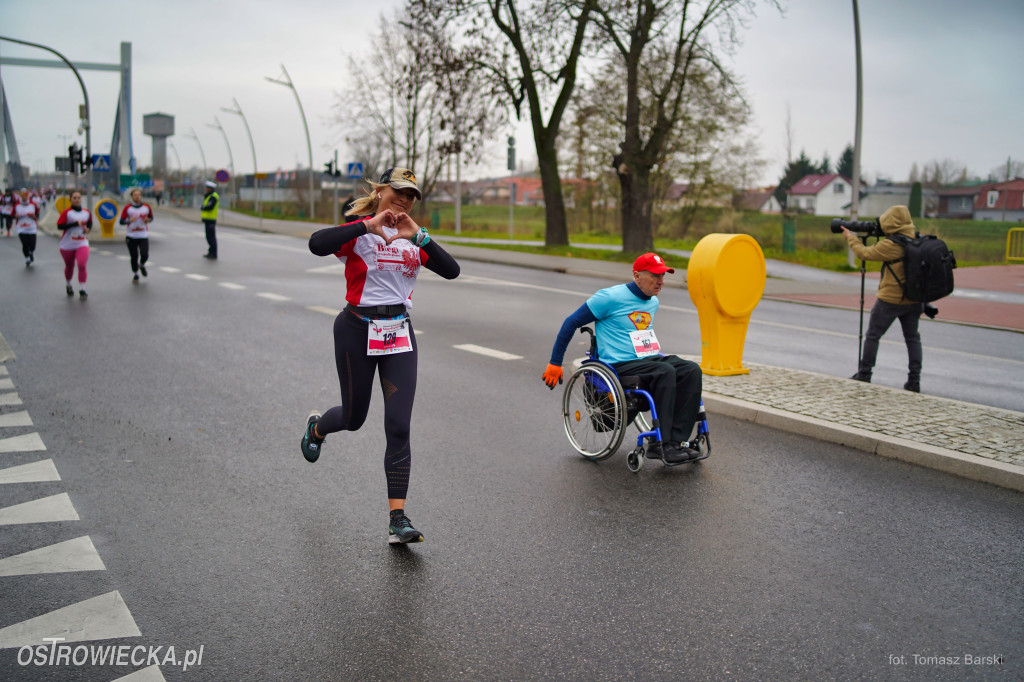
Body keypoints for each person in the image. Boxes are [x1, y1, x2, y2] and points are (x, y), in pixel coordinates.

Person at [300, 167, 460, 545]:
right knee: (354, 418)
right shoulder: (358, 229)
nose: (404, 200)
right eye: (399, 191)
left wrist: (419, 236)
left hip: (398, 334)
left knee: (399, 426)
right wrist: (367, 226)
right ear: (381, 191)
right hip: (356, 330)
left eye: (411, 196)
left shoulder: (412, 238)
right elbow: (316, 243)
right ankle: (318, 427)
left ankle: (397, 519)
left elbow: (452, 271)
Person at [542, 253, 704, 464]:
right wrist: (555, 362)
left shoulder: (653, 302)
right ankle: (660, 444)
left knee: (691, 370)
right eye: (655, 276)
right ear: (637, 276)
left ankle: (677, 441)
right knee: (666, 372)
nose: (661, 282)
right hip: (618, 364)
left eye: (663, 276)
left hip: (647, 359)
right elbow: (570, 322)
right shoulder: (609, 297)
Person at [841, 204, 924, 392]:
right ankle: (914, 380)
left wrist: (851, 239)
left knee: (873, 335)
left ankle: (864, 373)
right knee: (912, 338)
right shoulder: (916, 239)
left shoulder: (892, 245)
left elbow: (865, 253)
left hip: (890, 299)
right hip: (914, 299)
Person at [55, 191, 92, 299]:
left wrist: (88, 229)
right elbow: (59, 226)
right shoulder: (67, 213)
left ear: (81, 199)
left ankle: (82, 289)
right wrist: (75, 224)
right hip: (67, 244)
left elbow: (89, 222)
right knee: (70, 266)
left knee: (81, 264)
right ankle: (69, 284)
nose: (77, 199)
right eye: (74, 198)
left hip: (82, 242)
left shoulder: (86, 212)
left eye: (79, 197)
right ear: (70, 200)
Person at [120, 188, 154, 283]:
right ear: (131, 197)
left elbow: (151, 218)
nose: (137, 197)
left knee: (145, 254)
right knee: (134, 256)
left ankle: (142, 264)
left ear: (141, 196)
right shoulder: (128, 208)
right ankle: (136, 274)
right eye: (135, 195)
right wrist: (129, 220)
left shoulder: (146, 207)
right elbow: (121, 221)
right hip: (131, 235)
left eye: (139, 195)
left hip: (143, 235)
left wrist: (148, 220)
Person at [14, 188, 39, 266]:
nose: (24, 197)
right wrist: (16, 216)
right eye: (23, 196)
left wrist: (34, 216)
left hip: (31, 228)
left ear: (28, 196)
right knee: (25, 244)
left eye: (26, 196)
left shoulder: (33, 204)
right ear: (20, 196)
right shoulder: (17, 205)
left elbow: (37, 215)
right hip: (21, 228)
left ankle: (31, 252)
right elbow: (12, 214)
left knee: (32, 245)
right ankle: (27, 258)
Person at [200, 180, 219, 259]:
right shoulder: (209, 195)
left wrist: (203, 208)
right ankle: (210, 252)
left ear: (211, 188)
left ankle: (213, 253)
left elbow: (210, 206)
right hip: (208, 219)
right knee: (208, 237)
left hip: (211, 219)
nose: (206, 189)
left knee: (211, 237)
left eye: (207, 188)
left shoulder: (213, 196)